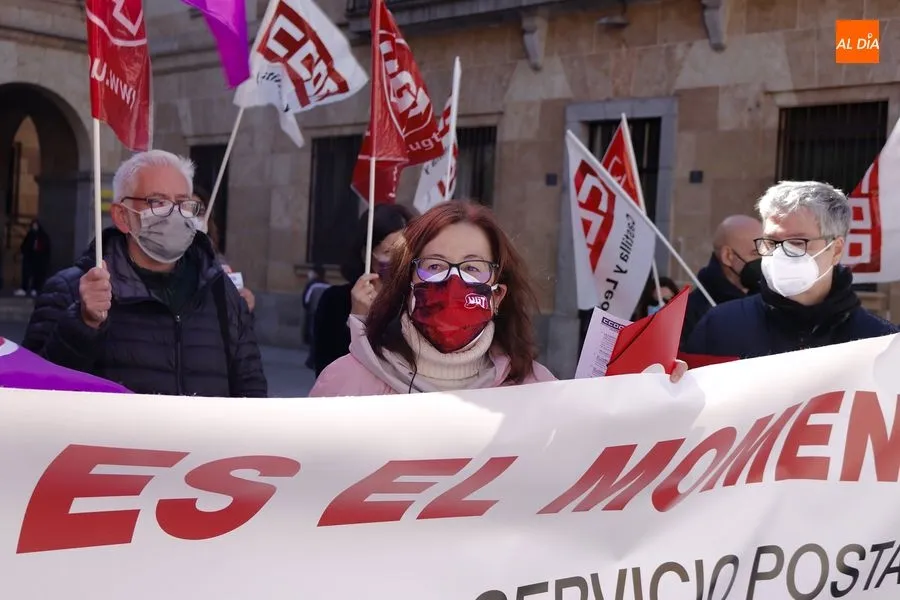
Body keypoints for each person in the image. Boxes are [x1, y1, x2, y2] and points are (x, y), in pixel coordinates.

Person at [311, 202, 686, 396]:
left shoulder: (535, 390)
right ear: (408, 283)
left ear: (497, 294)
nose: (453, 281)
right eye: (436, 265)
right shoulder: (345, 384)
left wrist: (655, 402)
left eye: (473, 268)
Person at [22, 150, 267, 397]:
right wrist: (83, 324)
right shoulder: (70, 290)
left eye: (183, 203)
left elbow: (252, 393)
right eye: (158, 202)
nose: (174, 214)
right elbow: (34, 393)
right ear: (122, 216)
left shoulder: (220, 292)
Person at [682, 181, 897, 359]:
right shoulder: (721, 326)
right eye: (772, 242)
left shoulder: (880, 342)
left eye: (797, 242)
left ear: (836, 249)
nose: (781, 254)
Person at [312, 204, 413, 376]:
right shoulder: (334, 301)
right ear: (367, 254)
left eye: (405, 250)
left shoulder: (416, 299)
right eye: (389, 251)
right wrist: (356, 320)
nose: (399, 259)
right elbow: (327, 371)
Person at [680, 215, 763, 345]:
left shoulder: (768, 300)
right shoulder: (689, 313)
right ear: (728, 256)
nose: (764, 260)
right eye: (755, 253)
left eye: (767, 251)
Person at [192, 185, 255, 313]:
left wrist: (244, 301)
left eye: (201, 212)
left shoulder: (217, 261)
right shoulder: (165, 260)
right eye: (188, 210)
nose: (194, 219)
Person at [15, 219, 51, 297]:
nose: (34, 227)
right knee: (26, 273)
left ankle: (35, 288)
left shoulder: (43, 236)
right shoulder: (30, 235)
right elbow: (25, 245)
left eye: (35, 225)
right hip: (29, 257)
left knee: (37, 274)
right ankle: (24, 288)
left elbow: (46, 247)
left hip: (39, 258)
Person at [302, 265, 330, 369]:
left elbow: (306, 300)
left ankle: (311, 360)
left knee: (313, 336)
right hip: (326, 314)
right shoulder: (328, 285)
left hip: (314, 314)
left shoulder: (312, 285)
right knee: (322, 337)